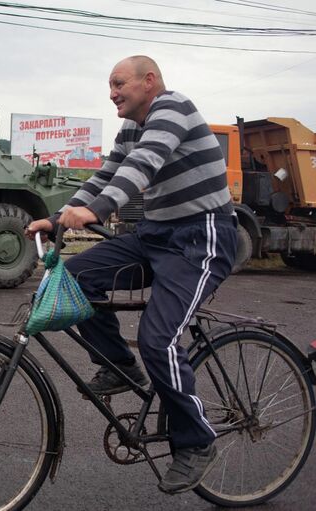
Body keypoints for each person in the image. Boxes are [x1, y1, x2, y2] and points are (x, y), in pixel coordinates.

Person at [26, 55, 237, 494]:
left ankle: (197, 441)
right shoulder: (130, 128)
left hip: (201, 238)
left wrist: (97, 211)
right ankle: (119, 365)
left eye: (119, 83)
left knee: (158, 340)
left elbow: (143, 165)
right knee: (72, 278)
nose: (112, 92)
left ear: (149, 80)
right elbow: (106, 175)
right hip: (155, 235)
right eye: (109, 85)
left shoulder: (172, 108)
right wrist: (58, 217)